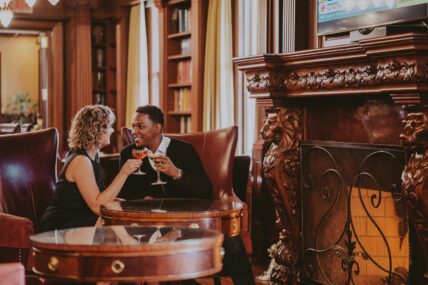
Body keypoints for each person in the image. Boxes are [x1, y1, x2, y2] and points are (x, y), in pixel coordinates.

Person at [119, 105, 255, 285]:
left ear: (157, 128)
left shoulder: (184, 150)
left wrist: (176, 173)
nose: (134, 131)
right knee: (168, 250)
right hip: (151, 224)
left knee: (231, 238)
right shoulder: (128, 153)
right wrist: (144, 199)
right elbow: (125, 194)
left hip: (189, 221)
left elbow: (205, 191)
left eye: (140, 126)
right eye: (133, 126)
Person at [39, 105, 142, 232]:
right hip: (60, 225)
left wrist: (128, 205)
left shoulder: (93, 156)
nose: (112, 131)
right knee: (113, 223)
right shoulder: (81, 161)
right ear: (96, 129)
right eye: (109, 126)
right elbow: (97, 206)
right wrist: (124, 173)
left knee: (128, 222)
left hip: (80, 218)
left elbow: (100, 198)